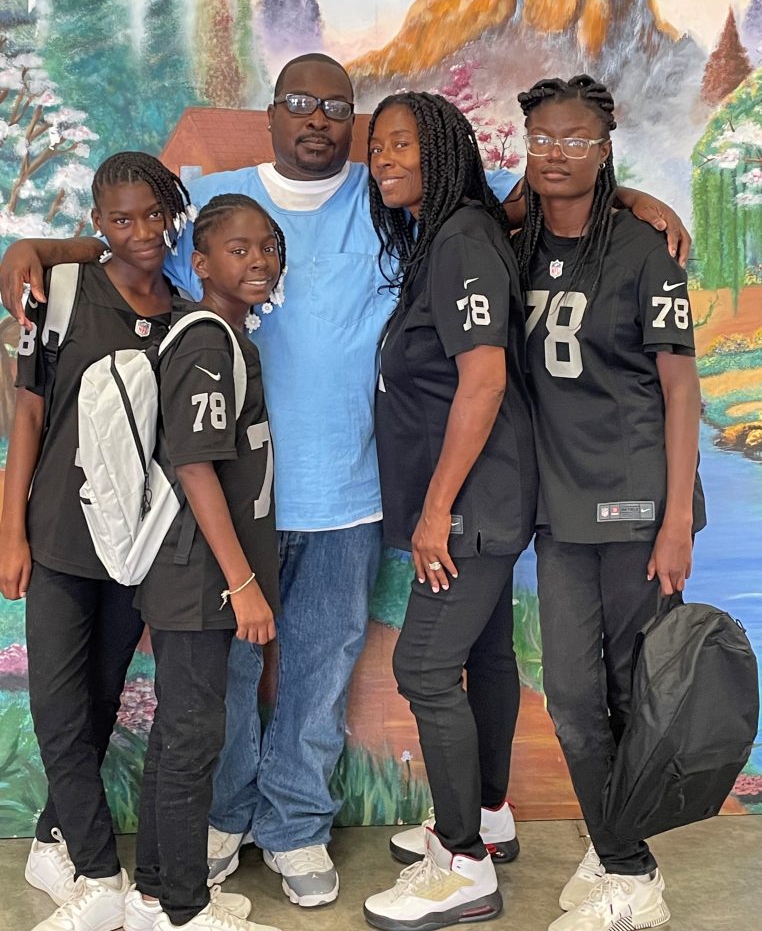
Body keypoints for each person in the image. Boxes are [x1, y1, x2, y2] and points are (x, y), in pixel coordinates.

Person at [0, 54, 692, 909]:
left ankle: (295, 826)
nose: (319, 119)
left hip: (347, 498)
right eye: (301, 103)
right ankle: (221, 821)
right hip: (229, 503)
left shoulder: (390, 193)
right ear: (274, 113)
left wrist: (634, 199)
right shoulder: (221, 193)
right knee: (220, 683)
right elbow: (132, 238)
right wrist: (37, 244)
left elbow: (535, 185)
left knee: (319, 676)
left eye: (338, 107)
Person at [513, 75, 705, 931]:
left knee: (632, 691)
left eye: (575, 140)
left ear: (604, 147)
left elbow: (682, 391)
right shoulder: (511, 240)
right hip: (559, 507)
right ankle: (615, 839)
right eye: (542, 139)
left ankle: (633, 874)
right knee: (570, 694)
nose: (556, 152)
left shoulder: (643, 251)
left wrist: (672, 523)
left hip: (635, 504)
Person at [0, 153, 190, 930]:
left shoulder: (186, 314)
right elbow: (28, 417)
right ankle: (101, 874)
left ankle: (54, 836)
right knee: (56, 703)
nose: (140, 232)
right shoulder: (66, 294)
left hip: (135, 544)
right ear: (96, 225)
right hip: (58, 538)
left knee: (102, 698)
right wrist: (10, 532)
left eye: (154, 215)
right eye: (121, 219)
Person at [362, 91, 537, 931]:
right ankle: (490, 817)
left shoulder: (463, 237)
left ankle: (463, 864)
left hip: (472, 505)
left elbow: (485, 379)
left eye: (400, 144)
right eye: (377, 148)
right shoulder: (453, 233)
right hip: (485, 499)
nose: (383, 159)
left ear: (442, 148)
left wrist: (435, 513)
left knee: (426, 670)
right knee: (490, 654)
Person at [128, 193, 284, 931]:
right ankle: (185, 911)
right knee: (194, 737)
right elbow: (194, 466)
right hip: (198, 574)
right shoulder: (203, 339)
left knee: (177, 732)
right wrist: (244, 584)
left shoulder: (227, 337)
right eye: (239, 249)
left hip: (200, 574)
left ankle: (157, 889)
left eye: (269, 248)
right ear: (201, 263)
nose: (258, 260)